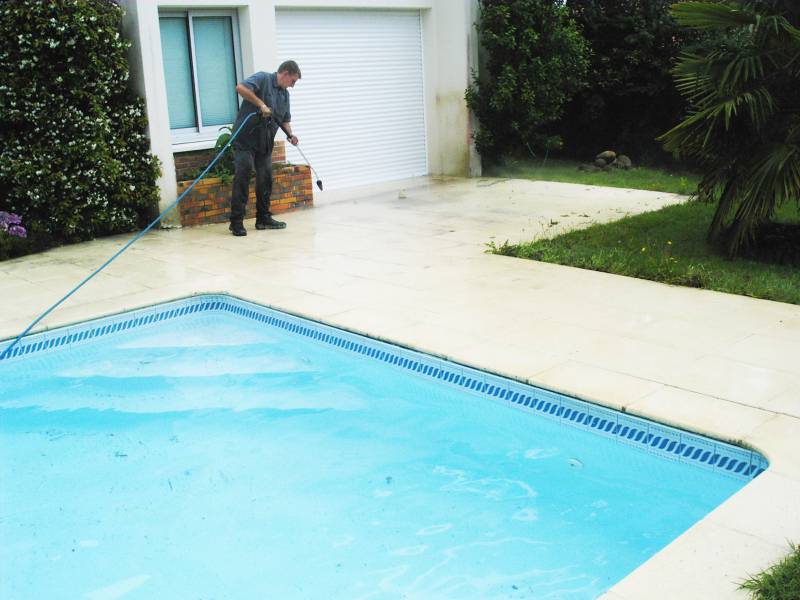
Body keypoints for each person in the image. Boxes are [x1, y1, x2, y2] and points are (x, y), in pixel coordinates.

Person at [228, 60, 301, 236]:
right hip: (245, 140)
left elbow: (284, 120)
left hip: (265, 143)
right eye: (292, 81)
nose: (292, 86)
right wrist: (260, 104)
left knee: (265, 178)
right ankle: (236, 222)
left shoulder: (285, 95)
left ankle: (263, 218)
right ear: (285, 74)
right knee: (243, 175)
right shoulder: (262, 78)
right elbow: (240, 88)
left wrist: (291, 135)